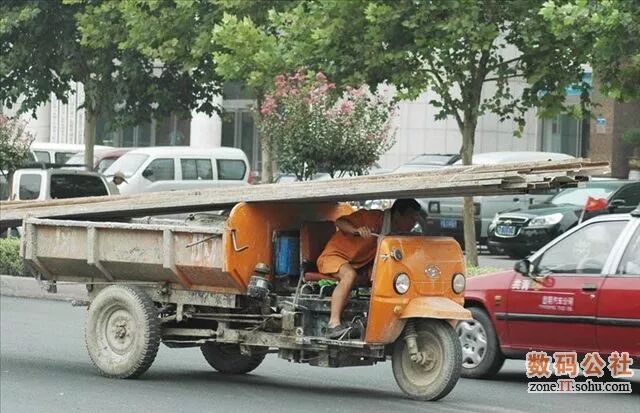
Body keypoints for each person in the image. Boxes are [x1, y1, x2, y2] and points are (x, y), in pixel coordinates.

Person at [317, 199, 423, 338]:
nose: (413, 223)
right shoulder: (371, 217)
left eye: (416, 219)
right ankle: (333, 324)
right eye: (411, 218)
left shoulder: (397, 232)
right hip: (334, 257)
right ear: (397, 214)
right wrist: (356, 230)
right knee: (349, 275)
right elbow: (340, 222)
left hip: (360, 264)